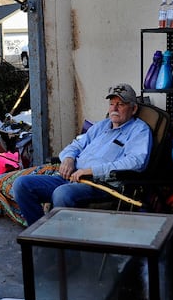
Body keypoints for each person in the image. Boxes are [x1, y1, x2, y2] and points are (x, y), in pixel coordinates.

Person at [11, 83, 152, 226]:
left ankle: (62, 242)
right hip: (71, 177)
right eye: (111, 104)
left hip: (100, 185)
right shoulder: (101, 125)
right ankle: (39, 233)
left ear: (133, 109)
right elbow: (76, 144)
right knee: (22, 184)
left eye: (120, 104)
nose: (114, 108)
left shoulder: (139, 130)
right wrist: (68, 158)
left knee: (62, 193)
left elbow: (136, 162)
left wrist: (91, 171)